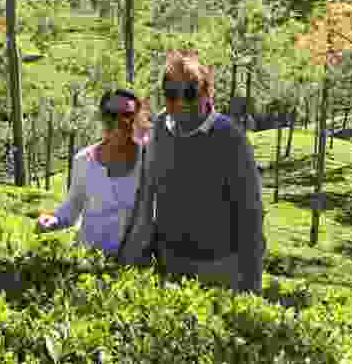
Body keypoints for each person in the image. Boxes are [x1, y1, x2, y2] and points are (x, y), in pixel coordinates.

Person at [118, 49, 266, 294]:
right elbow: (146, 197)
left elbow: (251, 214)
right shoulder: (160, 130)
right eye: (171, 94)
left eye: (189, 93)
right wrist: (128, 263)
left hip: (219, 269)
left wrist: (251, 286)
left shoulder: (229, 137)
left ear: (206, 93)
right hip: (169, 265)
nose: (180, 102)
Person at [35, 89, 152, 257]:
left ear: (138, 118)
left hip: (130, 263)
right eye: (111, 115)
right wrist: (53, 220)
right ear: (102, 118)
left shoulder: (148, 160)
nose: (118, 122)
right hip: (88, 259)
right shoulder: (83, 160)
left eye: (127, 115)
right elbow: (72, 207)